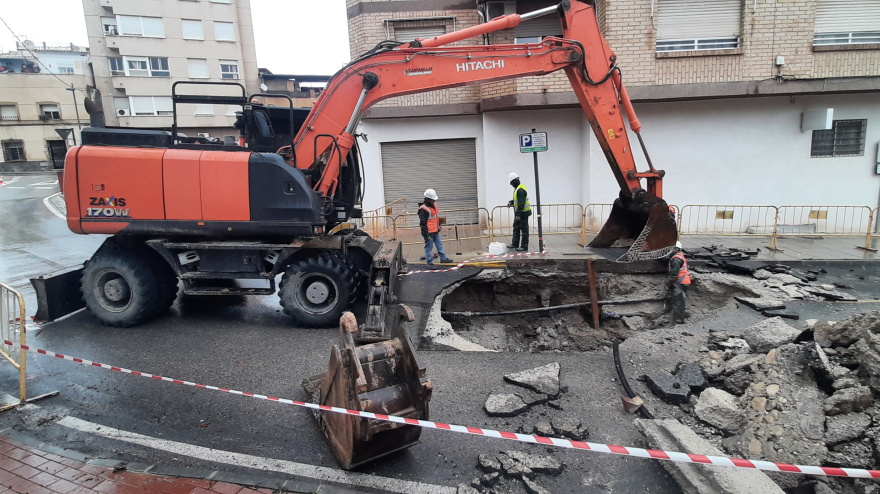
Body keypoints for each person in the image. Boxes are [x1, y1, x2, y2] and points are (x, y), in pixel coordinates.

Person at [419, 189, 453, 268]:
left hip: (435, 230)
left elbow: (436, 217)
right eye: (432, 199)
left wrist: (439, 225)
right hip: (429, 232)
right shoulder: (423, 210)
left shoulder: (433, 205)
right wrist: (426, 235)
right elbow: (423, 224)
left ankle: (443, 258)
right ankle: (429, 263)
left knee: (439, 245)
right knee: (428, 248)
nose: (434, 200)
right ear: (427, 199)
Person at [666, 241, 691, 324]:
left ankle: (678, 321)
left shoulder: (676, 259)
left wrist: (667, 283)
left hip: (680, 283)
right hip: (682, 282)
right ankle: (678, 318)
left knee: (678, 303)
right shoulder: (678, 256)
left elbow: (674, 275)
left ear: (675, 249)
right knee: (679, 301)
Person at [506, 172, 531, 251]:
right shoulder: (518, 189)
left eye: (511, 182)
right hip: (519, 213)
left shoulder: (520, 190)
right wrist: (511, 202)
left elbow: (521, 204)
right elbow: (517, 200)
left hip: (523, 213)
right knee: (516, 228)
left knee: (524, 230)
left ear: (515, 181)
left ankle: (524, 246)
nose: (511, 184)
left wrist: (518, 215)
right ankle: (515, 243)